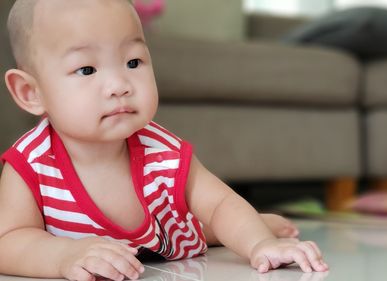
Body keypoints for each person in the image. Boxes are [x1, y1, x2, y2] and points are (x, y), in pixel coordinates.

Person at [0, 1, 329, 280]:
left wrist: (259, 243)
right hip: (99, 242)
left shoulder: (163, 153)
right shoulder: (31, 163)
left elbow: (219, 204)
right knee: (196, 223)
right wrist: (63, 256)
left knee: (203, 224)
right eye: (87, 69)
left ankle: (242, 227)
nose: (119, 84)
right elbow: (9, 241)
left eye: (133, 62)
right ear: (31, 93)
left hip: (168, 237)